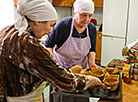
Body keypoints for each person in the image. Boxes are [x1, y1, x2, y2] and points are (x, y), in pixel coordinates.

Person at [0, 0, 104, 102]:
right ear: (38, 21)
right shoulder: (29, 45)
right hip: (21, 97)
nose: (50, 31)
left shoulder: (9, 30)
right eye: (50, 25)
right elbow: (66, 81)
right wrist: (89, 81)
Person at [45, 0, 97, 69]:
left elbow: (92, 49)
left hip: (81, 69)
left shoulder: (92, 29)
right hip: (61, 67)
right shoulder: (63, 25)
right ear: (75, 13)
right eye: (83, 15)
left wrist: (92, 63)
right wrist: (53, 64)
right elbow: (48, 45)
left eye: (90, 16)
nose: (87, 19)